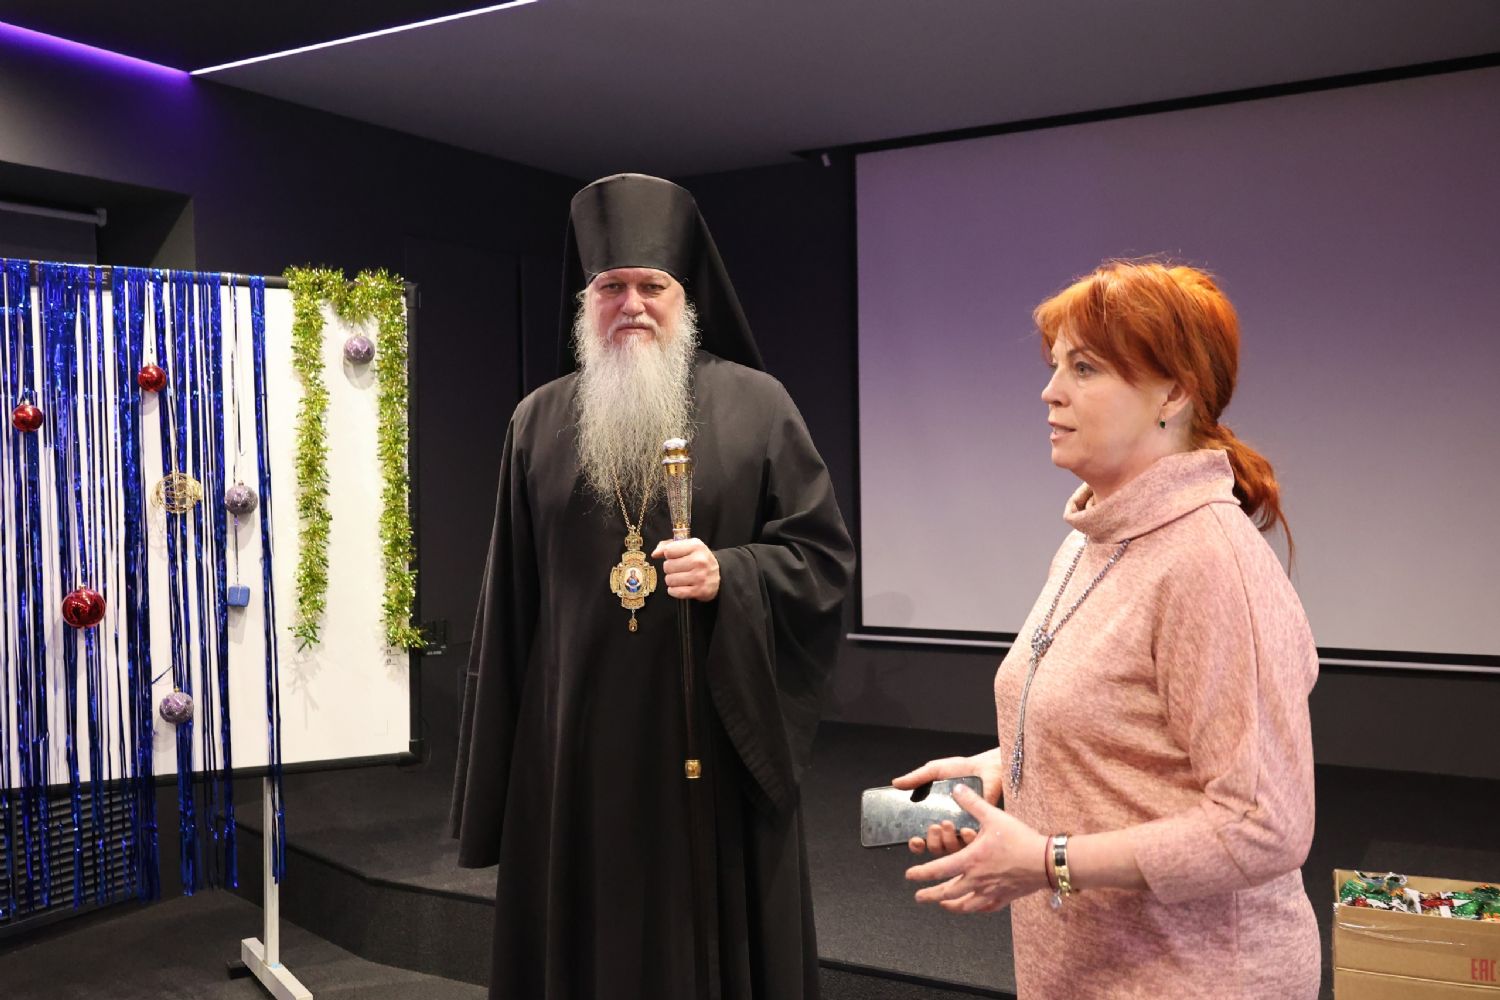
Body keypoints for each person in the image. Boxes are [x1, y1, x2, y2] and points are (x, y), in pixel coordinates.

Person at [451, 173, 855, 1000]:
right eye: (611, 287)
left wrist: (731, 573)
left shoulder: (758, 405)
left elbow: (820, 559)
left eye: (651, 286)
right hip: (571, 749)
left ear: (684, 298)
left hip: (704, 743)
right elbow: (511, 610)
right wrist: (495, 784)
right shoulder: (537, 421)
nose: (631, 304)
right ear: (586, 302)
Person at [895, 261, 1320, 999]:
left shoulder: (1209, 564)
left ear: (1174, 392)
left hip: (1196, 979)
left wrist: (1048, 860)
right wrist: (1006, 766)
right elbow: (1125, 728)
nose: (1051, 391)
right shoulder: (1093, 539)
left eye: (1085, 368)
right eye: (1056, 366)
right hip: (1089, 970)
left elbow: (1264, 824)